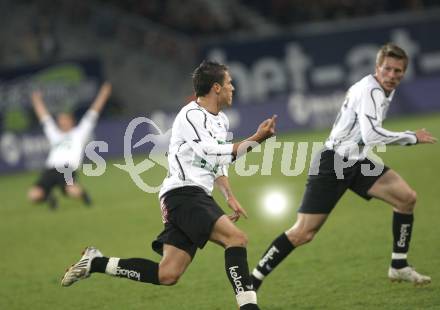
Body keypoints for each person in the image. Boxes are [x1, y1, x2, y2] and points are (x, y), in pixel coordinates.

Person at [61, 61, 277, 310]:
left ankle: (96, 263)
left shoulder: (221, 121)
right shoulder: (190, 115)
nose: (233, 87)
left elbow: (216, 163)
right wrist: (257, 139)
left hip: (189, 196)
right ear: (216, 87)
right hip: (183, 194)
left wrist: (228, 193)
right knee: (236, 239)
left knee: (168, 274)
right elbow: (211, 152)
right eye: (229, 83)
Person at [251, 43, 437, 291]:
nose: (392, 75)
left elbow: (364, 137)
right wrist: (412, 137)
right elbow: (372, 136)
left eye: (398, 71)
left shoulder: (380, 89)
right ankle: (251, 282)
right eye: (388, 69)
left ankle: (399, 265)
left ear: (404, 72)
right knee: (303, 233)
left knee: (406, 198)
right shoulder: (371, 91)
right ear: (377, 68)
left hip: (357, 161)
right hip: (334, 162)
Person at [28, 82, 112, 209]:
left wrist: (103, 94)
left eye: (64, 118)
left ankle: (85, 196)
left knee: (72, 190)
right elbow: (44, 116)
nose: (62, 121)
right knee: (33, 196)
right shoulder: (54, 133)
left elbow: (94, 111)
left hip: (67, 168)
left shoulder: (79, 132)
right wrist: (36, 100)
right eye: (60, 119)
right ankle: (49, 197)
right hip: (50, 169)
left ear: (71, 120)